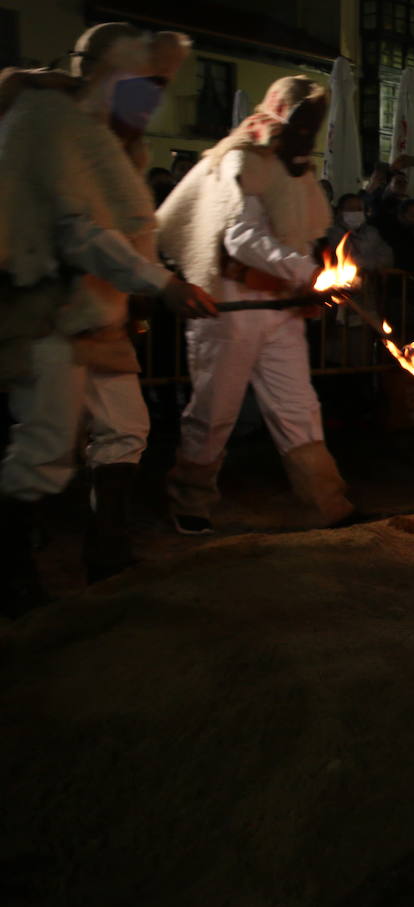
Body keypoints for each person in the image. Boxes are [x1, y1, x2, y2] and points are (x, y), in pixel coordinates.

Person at [0, 23, 215, 609]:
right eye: (141, 85)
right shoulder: (50, 124)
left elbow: (128, 231)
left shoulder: (120, 143)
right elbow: (77, 229)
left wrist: (149, 286)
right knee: (44, 446)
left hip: (97, 315)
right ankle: (13, 572)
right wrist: (160, 283)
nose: (150, 101)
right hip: (40, 308)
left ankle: (107, 553)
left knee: (126, 428)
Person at [156, 75, 355, 534]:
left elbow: (297, 238)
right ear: (279, 119)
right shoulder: (241, 159)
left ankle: (328, 504)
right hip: (229, 306)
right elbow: (239, 235)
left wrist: (310, 283)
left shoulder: (296, 172)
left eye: (313, 129)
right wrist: (308, 275)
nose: (307, 138)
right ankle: (191, 499)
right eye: (300, 127)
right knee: (215, 408)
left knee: (299, 407)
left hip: (280, 309)